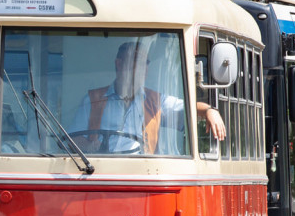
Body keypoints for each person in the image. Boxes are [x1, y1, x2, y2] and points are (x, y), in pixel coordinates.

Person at [70, 42, 226, 154]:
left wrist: (209, 111)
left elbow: (187, 108)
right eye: (135, 62)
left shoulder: (156, 100)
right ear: (119, 64)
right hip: (102, 169)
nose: (142, 68)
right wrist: (90, 146)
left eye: (145, 63)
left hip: (142, 168)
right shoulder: (94, 99)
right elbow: (73, 140)